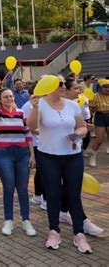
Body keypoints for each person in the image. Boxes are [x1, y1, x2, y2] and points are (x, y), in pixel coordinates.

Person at [27, 76, 92, 253]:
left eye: (64, 84)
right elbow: (31, 126)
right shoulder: (40, 104)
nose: (64, 86)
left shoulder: (72, 105)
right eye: (60, 84)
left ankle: (79, 234)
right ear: (51, 86)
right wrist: (34, 108)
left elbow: (83, 127)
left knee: (74, 195)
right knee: (53, 194)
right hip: (48, 157)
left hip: (73, 156)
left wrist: (78, 133)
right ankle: (54, 231)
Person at [0, 77, 36, 237]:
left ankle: (26, 220)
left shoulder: (21, 113)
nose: (9, 98)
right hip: (3, 155)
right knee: (9, 187)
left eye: (11, 96)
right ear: (0, 100)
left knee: (23, 188)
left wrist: (32, 155)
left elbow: (28, 133)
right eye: (5, 97)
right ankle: (8, 220)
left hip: (23, 154)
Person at [58, 78, 104, 236]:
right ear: (66, 91)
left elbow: (80, 127)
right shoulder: (55, 107)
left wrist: (81, 130)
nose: (80, 91)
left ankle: (63, 211)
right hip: (57, 154)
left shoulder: (74, 107)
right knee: (72, 187)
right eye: (76, 88)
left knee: (71, 186)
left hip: (74, 152)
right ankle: (83, 221)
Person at [21, 91, 47, 210]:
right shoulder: (27, 106)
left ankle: (38, 195)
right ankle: (39, 196)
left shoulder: (46, 103)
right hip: (35, 142)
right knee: (42, 170)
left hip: (43, 142)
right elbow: (26, 126)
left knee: (41, 170)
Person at [88, 79, 109, 167]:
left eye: (108, 87)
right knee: (99, 140)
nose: (107, 89)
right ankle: (93, 156)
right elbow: (92, 109)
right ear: (100, 87)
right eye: (105, 87)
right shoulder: (96, 96)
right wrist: (91, 106)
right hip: (100, 116)